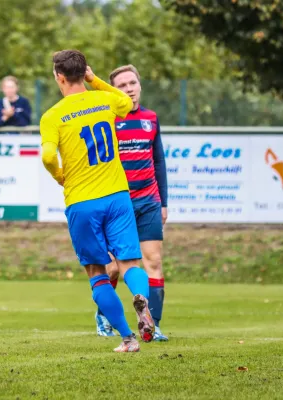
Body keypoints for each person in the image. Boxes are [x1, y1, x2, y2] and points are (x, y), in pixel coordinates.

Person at [40, 50, 155, 353]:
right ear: (84, 73)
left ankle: (128, 339)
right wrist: (96, 81)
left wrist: (59, 175)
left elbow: (48, 156)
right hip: (117, 195)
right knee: (130, 263)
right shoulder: (104, 100)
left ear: (59, 77)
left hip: (82, 201)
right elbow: (127, 103)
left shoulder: (53, 116)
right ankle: (143, 304)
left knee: (97, 272)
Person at [95, 65, 169, 342]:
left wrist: (163, 202)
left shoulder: (151, 118)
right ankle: (104, 316)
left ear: (140, 84)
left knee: (154, 261)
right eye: (122, 85)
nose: (129, 89)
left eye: (132, 82)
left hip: (148, 201)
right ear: (114, 90)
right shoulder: (107, 120)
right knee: (113, 268)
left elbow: (159, 161)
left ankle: (153, 324)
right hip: (117, 204)